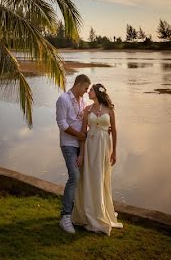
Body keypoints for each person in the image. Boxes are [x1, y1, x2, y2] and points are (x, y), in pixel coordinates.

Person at [72, 83, 123, 235]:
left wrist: (114, 152)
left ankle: (100, 211)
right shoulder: (87, 109)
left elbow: (113, 130)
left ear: (98, 93)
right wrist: (81, 154)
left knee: (101, 177)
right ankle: (88, 213)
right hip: (90, 147)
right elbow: (82, 133)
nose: (89, 92)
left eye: (91, 90)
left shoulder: (110, 110)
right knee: (89, 177)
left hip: (104, 147)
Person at [56, 74, 91, 234]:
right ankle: (65, 217)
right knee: (74, 177)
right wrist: (78, 135)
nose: (86, 91)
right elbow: (61, 123)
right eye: (86, 88)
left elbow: (83, 124)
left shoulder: (83, 101)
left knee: (81, 178)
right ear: (79, 84)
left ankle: (77, 214)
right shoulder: (63, 99)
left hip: (81, 145)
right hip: (68, 145)